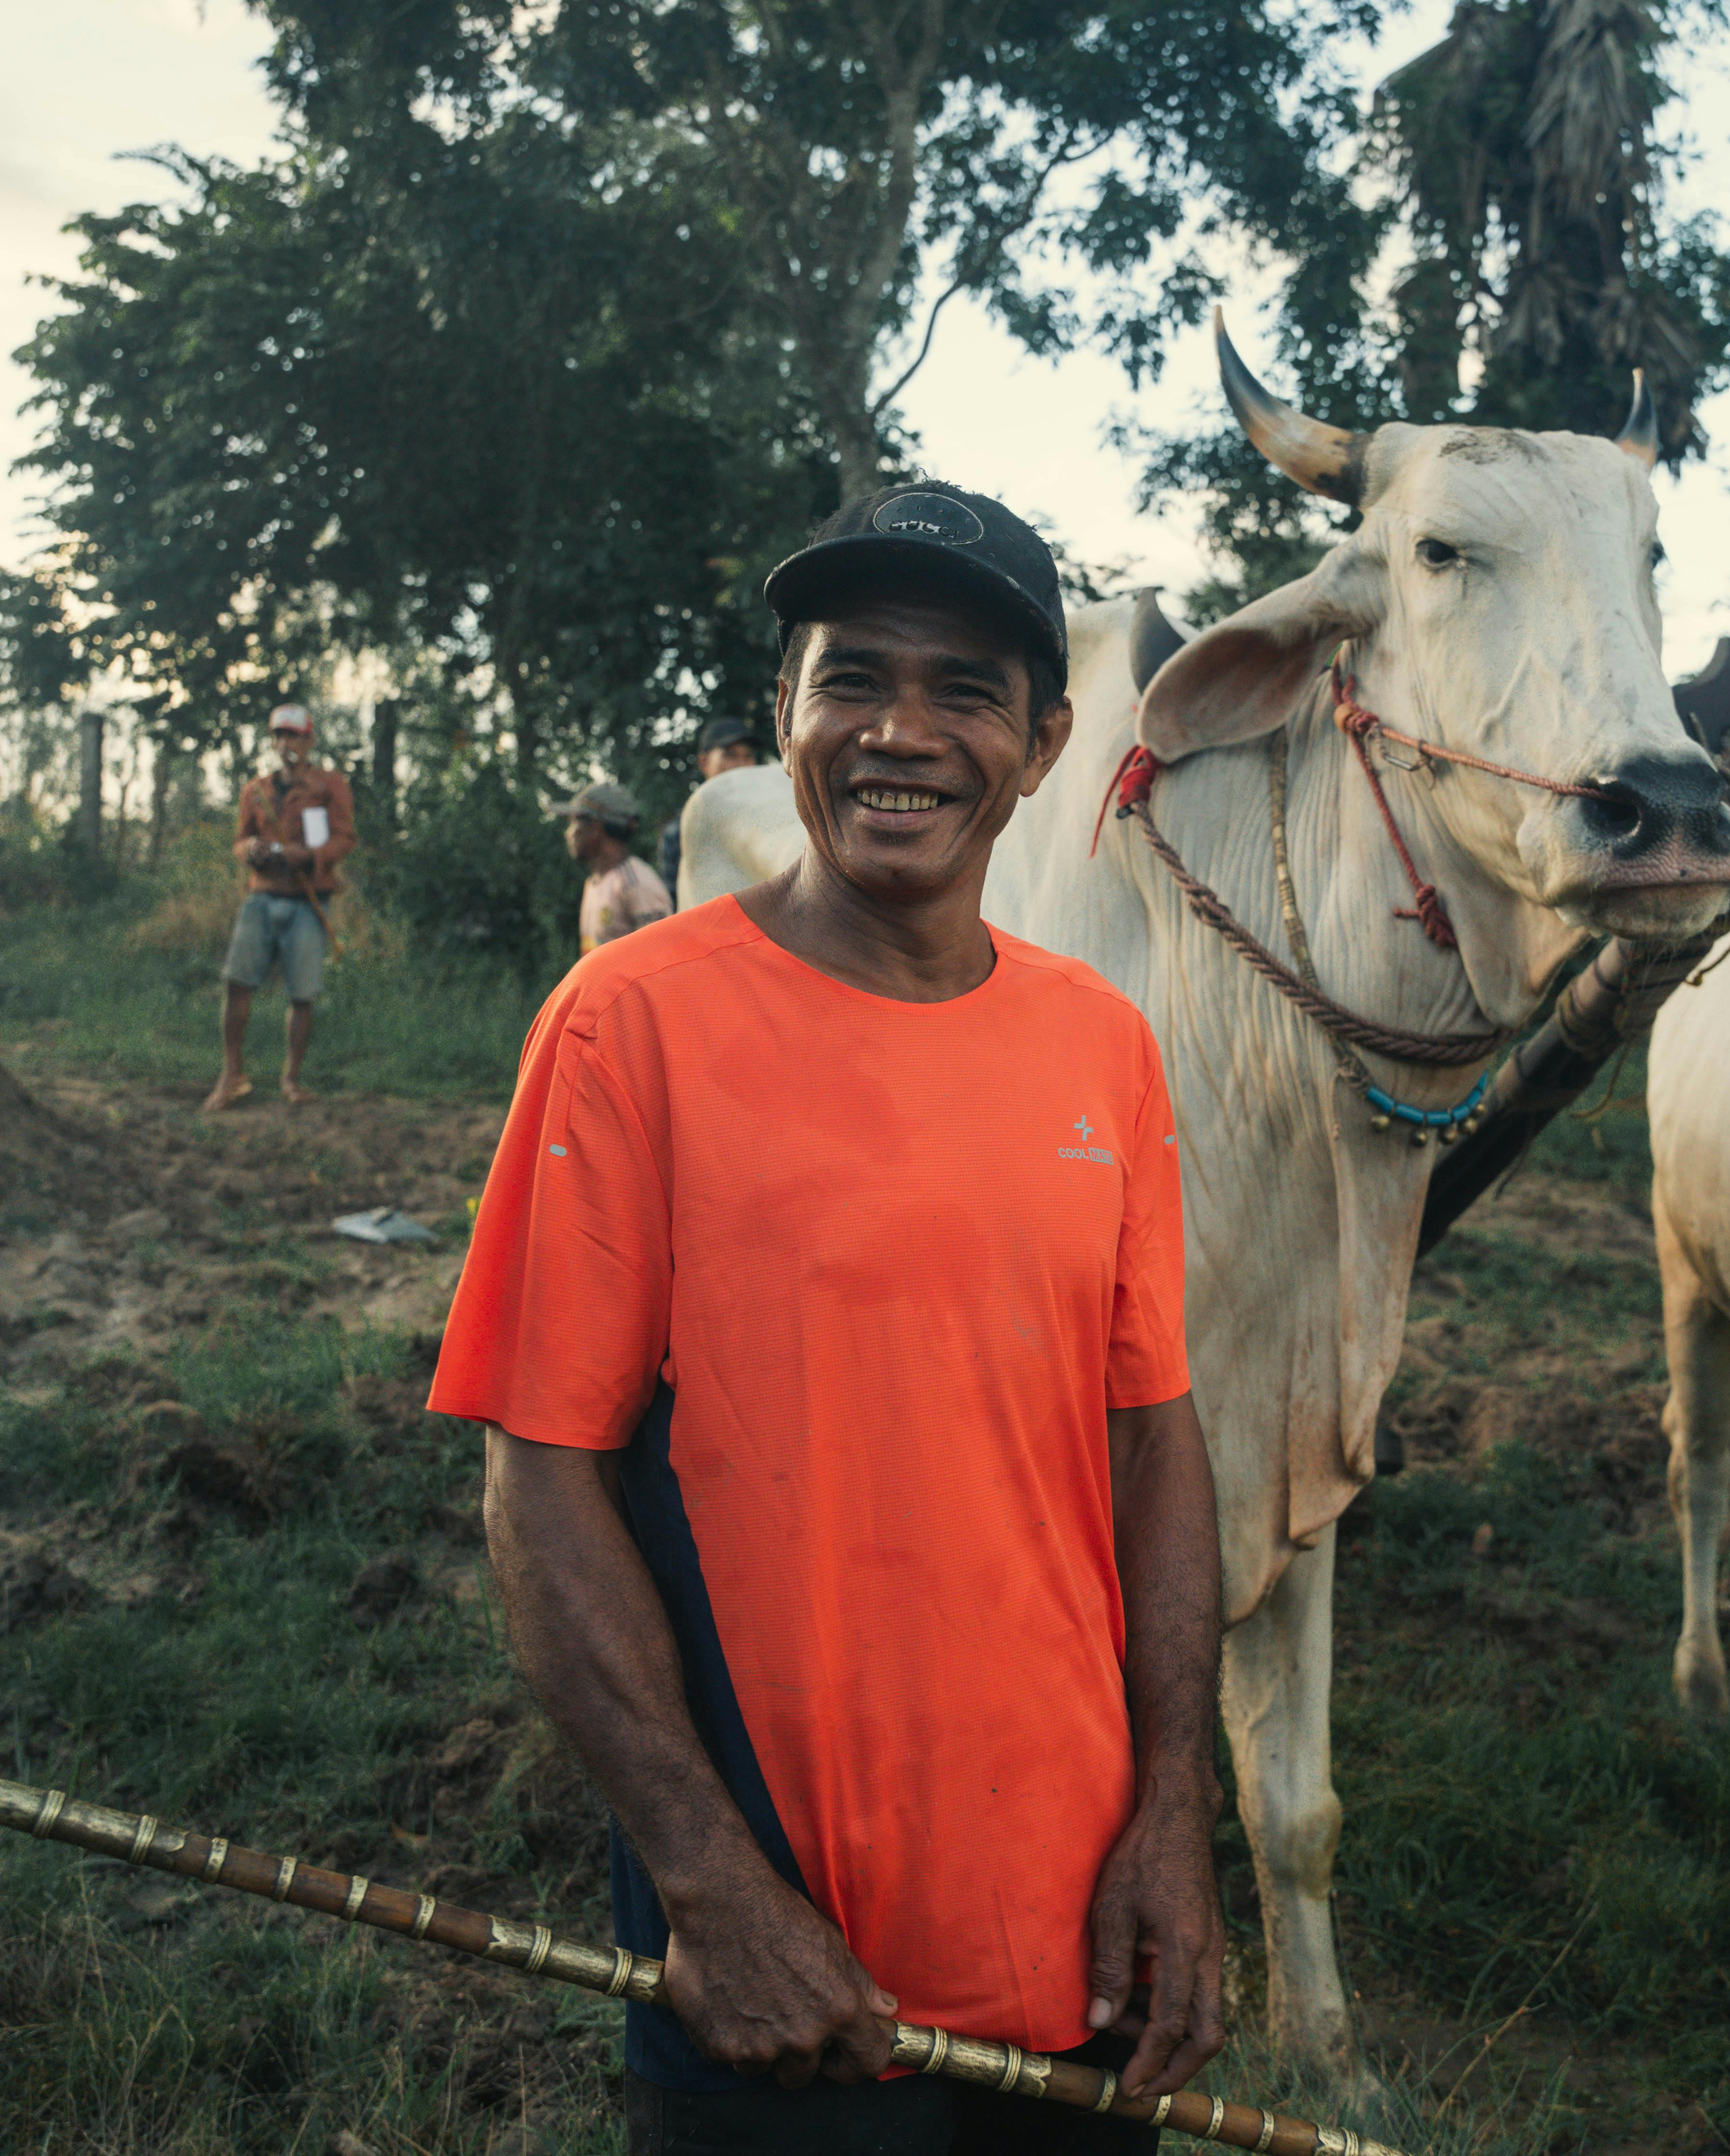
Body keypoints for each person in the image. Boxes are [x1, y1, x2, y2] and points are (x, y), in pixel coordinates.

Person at [430, 481, 1224, 2156]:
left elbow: (1151, 1450)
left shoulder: (1102, 1049)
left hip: (1080, 1936)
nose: (899, 734)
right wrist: (707, 1886)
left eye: (962, 692)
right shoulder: (628, 1023)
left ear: (1041, 741)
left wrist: (1171, 1821)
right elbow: (543, 1478)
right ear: (781, 712)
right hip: (786, 1968)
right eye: (851, 677)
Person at [208, 701, 354, 1113]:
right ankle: (232, 1075)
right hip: (261, 898)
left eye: (294, 735)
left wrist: (308, 856)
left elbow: (345, 839)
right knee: (237, 982)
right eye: (279, 735)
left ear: (309, 740)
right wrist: (250, 850)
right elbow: (239, 841)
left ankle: (291, 1079)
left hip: (308, 901)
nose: (286, 743)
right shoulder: (256, 791)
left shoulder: (329, 787)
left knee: (302, 992)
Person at [553, 780, 677, 953]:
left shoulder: (636, 885)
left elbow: (664, 958)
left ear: (596, 827)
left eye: (575, 823)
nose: (569, 833)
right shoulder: (595, 882)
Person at [654, 714, 760, 884]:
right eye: (731, 756)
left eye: (748, 756)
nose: (742, 765)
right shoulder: (680, 831)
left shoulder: (763, 820)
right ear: (704, 762)